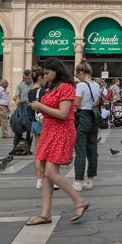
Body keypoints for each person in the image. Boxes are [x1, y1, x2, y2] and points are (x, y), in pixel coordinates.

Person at [26, 57, 89, 226]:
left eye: (47, 73)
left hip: (61, 131)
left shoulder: (67, 88)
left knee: (52, 172)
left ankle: (79, 201)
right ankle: (45, 213)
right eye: (44, 73)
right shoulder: (51, 89)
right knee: (45, 172)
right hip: (49, 130)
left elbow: (63, 113)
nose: (45, 76)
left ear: (57, 71)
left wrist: (40, 107)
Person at [73, 61, 102, 190]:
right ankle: (90, 180)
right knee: (92, 149)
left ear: (80, 73)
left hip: (82, 117)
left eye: (77, 74)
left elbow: (77, 104)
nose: (77, 77)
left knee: (80, 150)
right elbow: (97, 102)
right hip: (93, 117)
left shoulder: (80, 86)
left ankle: (78, 181)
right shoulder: (96, 85)